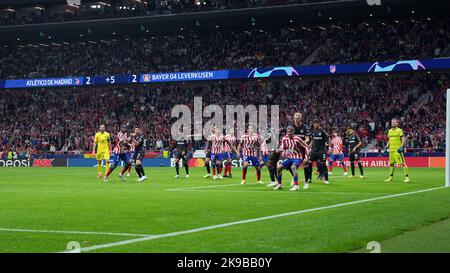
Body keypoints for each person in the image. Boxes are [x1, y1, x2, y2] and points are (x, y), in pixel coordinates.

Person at [274, 126, 309, 191]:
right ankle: (279, 185)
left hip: (297, 157)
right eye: (287, 131)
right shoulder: (284, 139)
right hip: (289, 158)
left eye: (290, 131)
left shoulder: (297, 139)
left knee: (293, 167)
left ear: (293, 132)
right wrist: (278, 150)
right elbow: (282, 147)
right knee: (279, 167)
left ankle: (296, 185)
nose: (288, 133)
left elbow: (306, 147)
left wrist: (306, 157)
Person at [384, 118, 410, 182]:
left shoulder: (399, 130)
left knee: (402, 163)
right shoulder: (389, 131)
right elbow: (389, 140)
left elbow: (403, 139)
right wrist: (386, 147)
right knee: (391, 164)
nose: (393, 123)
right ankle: (390, 177)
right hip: (391, 150)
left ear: (397, 123)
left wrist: (401, 147)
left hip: (397, 150)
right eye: (392, 122)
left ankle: (407, 177)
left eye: (394, 122)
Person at [309, 120, 329, 187]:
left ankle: (326, 179)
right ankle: (309, 178)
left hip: (321, 150)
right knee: (309, 163)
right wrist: (309, 147)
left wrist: (327, 144)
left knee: (323, 164)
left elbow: (327, 138)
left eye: (316, 124)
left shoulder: (323, 132)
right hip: (314, 150)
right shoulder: (313, 131)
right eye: (314, 124)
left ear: (319, 124)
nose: (314, 125)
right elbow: (312, 140)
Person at [292, 112, 312, 184]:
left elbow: (307, 139)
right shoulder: (292, 127)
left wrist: (301, 144)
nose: (296, 120)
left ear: (301, 118)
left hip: (303, 149)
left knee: (305, 164)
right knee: (293, 164)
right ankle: (294, 178)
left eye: (297, 118)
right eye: (295, 118)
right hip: (294, 149)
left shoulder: (305, 127)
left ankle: (307, 179)